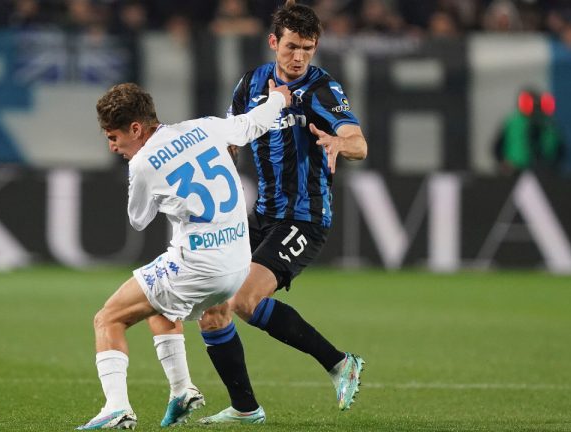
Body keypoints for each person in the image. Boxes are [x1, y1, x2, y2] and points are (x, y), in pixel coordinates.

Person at [181, 0, 368, 425]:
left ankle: (340, 363)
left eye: (308, 47)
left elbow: (358, 140)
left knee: (245, 300)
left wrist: (342, 144)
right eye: (291, 47)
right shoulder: (251, 83)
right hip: (260, 215)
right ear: (273, 43)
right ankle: (246, 409)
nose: (299, 56)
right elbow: (233, 137)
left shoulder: (321, 89)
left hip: (304, 216)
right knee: (213, 310)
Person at [77, 80, 291, 430]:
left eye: (114, 137)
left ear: (136, 128)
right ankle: (182, 390)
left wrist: (154, 182)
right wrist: (279, 97)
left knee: (108, 318)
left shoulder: (143, 162)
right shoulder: (204, 127)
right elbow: (254, 122)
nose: (113, 147)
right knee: (158, 301)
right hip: (237, 265)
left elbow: (139, 220)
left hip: (199, 266)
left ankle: (116, 408)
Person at [493, 87, 565, 175]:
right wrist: (504, 163)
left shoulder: (548, 123)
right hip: (515, 171)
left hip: (544, 171)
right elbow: (497, 147)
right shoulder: (512, 122)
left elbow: (560, 149)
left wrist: (553, 166)